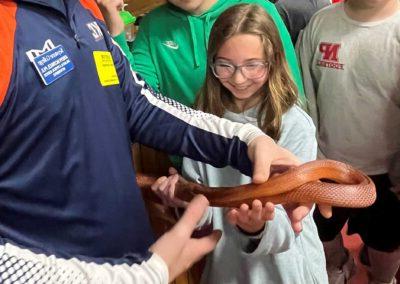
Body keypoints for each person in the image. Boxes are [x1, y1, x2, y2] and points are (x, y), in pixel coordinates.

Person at [0, 0, 313, 282]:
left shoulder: (84, 11)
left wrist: (245, 142)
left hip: (131, 255)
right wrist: (132, 279)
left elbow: (140, 104)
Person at [151, 4, 328, 283]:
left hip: (286, 270)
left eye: (253, 66)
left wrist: (257, 228)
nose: (238, 78)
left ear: (273, 62)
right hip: (227, 269)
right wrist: (183, 203)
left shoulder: (294, 125)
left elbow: (295, 224)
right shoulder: (203, 122)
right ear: (212, 64)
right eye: (225, 65)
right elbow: (206, 211)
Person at [297, 0, 400, 283]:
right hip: (326, 164)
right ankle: (339, 264)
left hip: (386, 173)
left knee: (386, 242)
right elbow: (304, 96)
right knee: (323, 231)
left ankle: (382, 279)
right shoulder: (321, 22)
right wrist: (311, 156)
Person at [97, 0, 305, 108]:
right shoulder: (154, 24)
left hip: (263, 161)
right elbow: (136, 94)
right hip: (191, 163)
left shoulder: (258, 10)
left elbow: (290, 92)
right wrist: (116, 30)